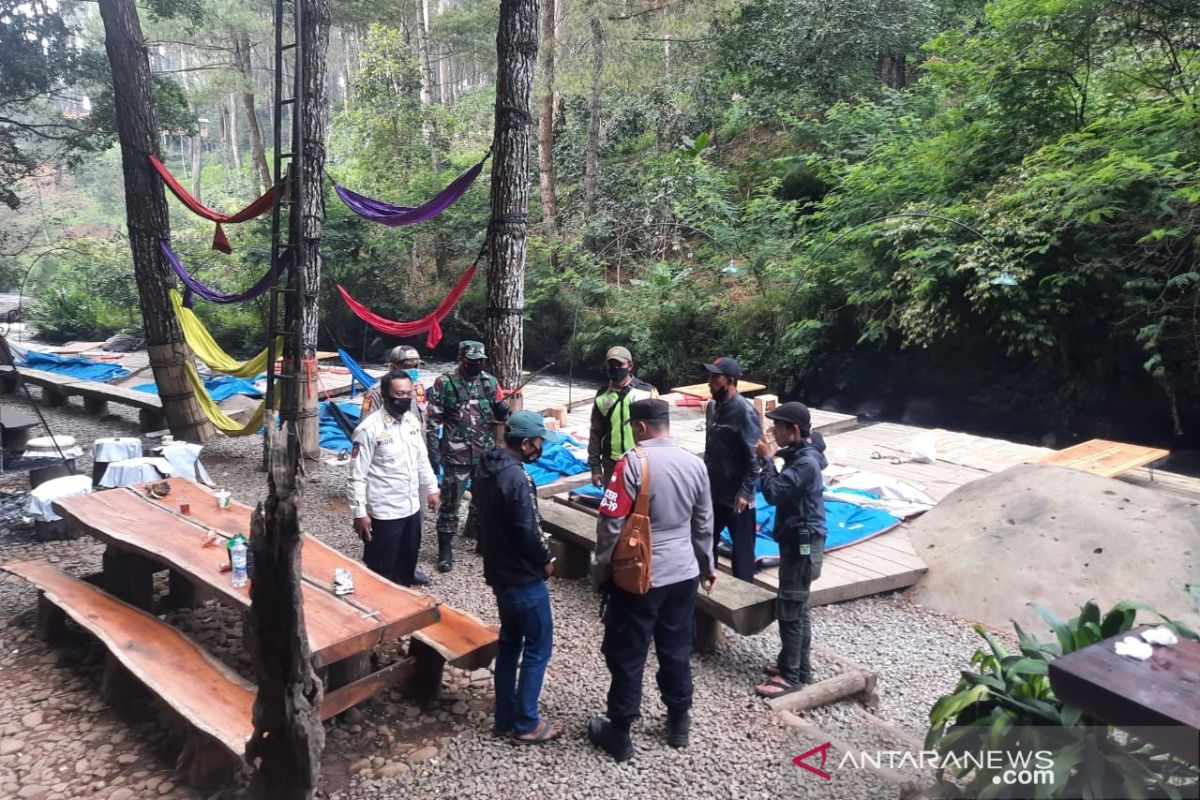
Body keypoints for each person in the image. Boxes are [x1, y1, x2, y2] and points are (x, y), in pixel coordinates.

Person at [588, 399, 716, 761]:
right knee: (676, 648)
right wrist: (706, 566)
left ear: (641, 427)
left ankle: (621, 731)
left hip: (640, 576)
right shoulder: (696, 464)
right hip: (684, 573)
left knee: (628, 652)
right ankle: (678, 722)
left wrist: (601, 570)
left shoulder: (632, 463)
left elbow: (611, 525)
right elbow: (704, 523)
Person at [473, 410, 562, 743]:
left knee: (510, 644)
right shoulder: (517, 479)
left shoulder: (487, 467)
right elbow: (529, 528)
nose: (541, 448)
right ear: (525, 444)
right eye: (539, 442)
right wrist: (547, 559)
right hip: (524, 578)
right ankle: (527, 723)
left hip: (499, 574)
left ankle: (504, 717)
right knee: (538, 647)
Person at [753, 402, 827, 697]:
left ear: (794, 430)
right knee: (799, 606)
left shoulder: (806, 463)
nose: (773, 431)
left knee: (790, 606)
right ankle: (798, 666)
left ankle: (791, 676)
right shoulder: (803, 454)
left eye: (778, 427)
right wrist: (775, 454)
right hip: (801, 538)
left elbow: (773, 493)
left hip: (803, 540)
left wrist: (767, 461)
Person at [347, 371, 441, 588]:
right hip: (385, 512)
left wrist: (431, 488)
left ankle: (404, 604)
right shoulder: (368, 430)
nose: (405, 398)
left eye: (409, 393)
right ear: (385, 395)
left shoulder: (411, 423)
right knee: (381, 570)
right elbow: (356, 476)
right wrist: (360, 513)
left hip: (411, 509)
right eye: (399, 393)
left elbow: (421, 459)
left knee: (406, 563)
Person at [425, 340, 511, 572]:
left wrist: (504, 410)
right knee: (450, 503)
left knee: (487, 501)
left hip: (484, 453)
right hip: (456, 455)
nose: (477, 365)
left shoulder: (490, 382)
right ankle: (445, 550)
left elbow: (501, 411)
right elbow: (432, 423)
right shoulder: (445, 383)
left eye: (480, 361)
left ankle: (485, 542)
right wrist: (433, 455)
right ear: (461, 360)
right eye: (472, 361)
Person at [701, 356, 761, 582]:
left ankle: (744, 601)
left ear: (730, 381)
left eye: (715, 377)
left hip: (738, 498)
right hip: (713, 491)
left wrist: (745, 491)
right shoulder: (712, 406)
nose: (709, 382)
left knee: (743, 554)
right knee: (706, 544)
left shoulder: (745, 413)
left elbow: (755, 459)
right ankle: (707, 590)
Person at [587, 346, 659, 488]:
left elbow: (658, 429)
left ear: (630, 366)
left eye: (619, 365)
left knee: (641, 505)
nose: (615, 368)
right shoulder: (602, 396)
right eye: (611, 365)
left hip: (642, 461)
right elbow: (596, 432)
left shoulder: (646, 392)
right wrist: (595, 467)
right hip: (611, 462)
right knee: (612, 505)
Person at [357, 345, 428, 426]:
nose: (414, 370)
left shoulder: (419, 387)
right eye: (408, 366)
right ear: (392, 368)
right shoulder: (375, 392)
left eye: (416, 366)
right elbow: (365, 424)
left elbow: (423, 419)